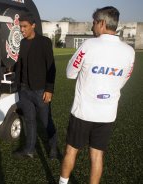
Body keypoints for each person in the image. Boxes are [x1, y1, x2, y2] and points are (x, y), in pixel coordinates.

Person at [59, 6, 135, 184]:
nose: (92, 27)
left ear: (102, 23)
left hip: (83, 111)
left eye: (94, 23)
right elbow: (124, 80)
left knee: (71, 151)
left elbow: (70, 73)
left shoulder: (89, 45)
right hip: (107, 114)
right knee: (97, 155)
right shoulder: (129, 51)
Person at [14, 13, 57, 159]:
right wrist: (18, 83)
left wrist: (49, 89)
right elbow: (21, 64)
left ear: (33, 26)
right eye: (20, 27)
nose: (22, 30)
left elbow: (51, 67)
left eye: (25, 26)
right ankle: (29, 150)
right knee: (29, 121)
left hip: (40, 90)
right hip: (24, 90)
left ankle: (53, 147)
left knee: (46, 121)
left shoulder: (44, 42)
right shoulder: (23, 43)